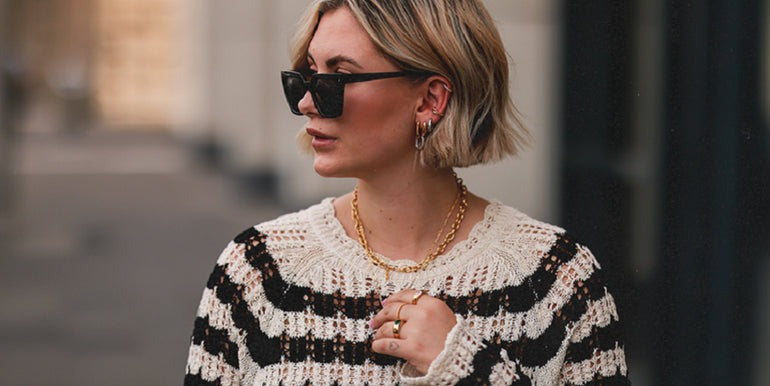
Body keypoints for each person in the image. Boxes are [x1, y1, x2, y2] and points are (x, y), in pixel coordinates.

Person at [184, 0, 629, 384]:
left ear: (430, 100)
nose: (306, 102)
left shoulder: (554, 280)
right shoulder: (259, 271)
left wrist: (465, 366)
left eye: (336, 79)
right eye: (306, 76)